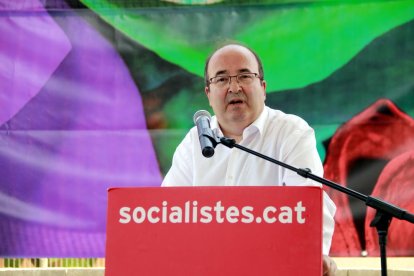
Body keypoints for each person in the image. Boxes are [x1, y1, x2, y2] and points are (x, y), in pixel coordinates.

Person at [162, 43, 337, 275]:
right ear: (208, 94)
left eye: (244, 76)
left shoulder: (291, 133)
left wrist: (314, 255)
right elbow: (168, 214)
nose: (234, 87)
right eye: (222, 79)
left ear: (263, 88)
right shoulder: (194, 143)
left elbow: (308, 203)